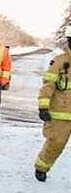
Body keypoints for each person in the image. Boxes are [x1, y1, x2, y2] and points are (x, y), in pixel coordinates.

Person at [35, 25, 71, 181]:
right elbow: (48, 85)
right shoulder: (59, 62)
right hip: (61, 114)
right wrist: (43, 107)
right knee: (56, 144)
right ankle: (41, 167)